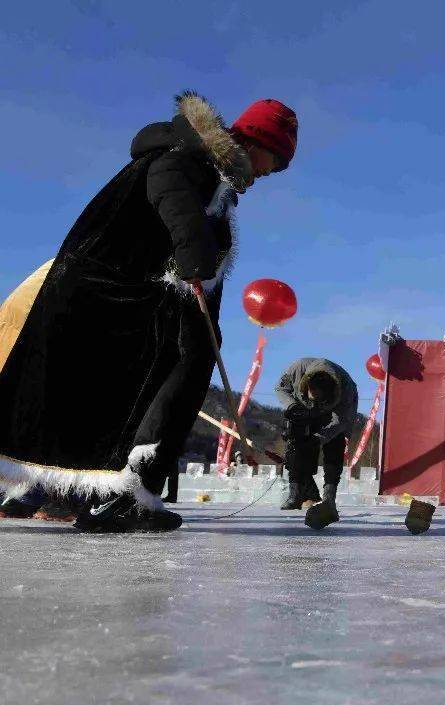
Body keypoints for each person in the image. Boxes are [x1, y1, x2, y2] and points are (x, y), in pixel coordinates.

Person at [0, 91, 298, 533]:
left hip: (140, 299)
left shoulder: (211, 174)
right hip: (109, 294)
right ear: (258, 142)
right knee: (164, 371)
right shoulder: (185, 158)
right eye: (274, 161)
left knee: (159, 376)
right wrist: (195, 251)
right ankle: (119, 494)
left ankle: (125, 494)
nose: (268, 173)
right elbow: (168, 190)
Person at [275, 358, 358, 529]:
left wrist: (319, 437)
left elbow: (340, 422)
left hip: (334, 414)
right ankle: (296, 492)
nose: (315, 402)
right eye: (312, 396)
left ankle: (329, 496)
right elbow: (280, 388)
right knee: (297, 444)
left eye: (319, 399)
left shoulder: (346, 389)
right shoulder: (296, 370)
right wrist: (292, 406)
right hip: (301, 408)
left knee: (335, 444)